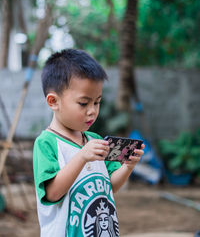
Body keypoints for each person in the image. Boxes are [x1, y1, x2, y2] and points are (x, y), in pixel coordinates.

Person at [33, 48, 144, 237]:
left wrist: (127, 167)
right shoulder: (47, 143)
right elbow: (52, 194)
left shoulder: (96, 141)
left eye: (97, 102)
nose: (92, 110)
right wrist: (82, 156)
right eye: (84, 103)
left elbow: (110, 186)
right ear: (53, 102)